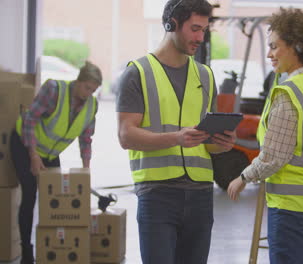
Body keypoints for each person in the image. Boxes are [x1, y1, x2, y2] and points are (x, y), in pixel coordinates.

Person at [115, 0, 235, 263]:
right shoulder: (138, 73)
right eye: (194, 29)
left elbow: (208, 144)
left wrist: (222, 143)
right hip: (157, 194)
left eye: (204, 30)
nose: (200, 38)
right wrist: (176, 138)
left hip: (201, 194)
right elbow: (126, 135)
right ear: (172, 24)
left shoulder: (205, 76)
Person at [227, 8, 303, 264]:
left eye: (274, 46)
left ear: (298, 46)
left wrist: (243, 177)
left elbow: (273, 157)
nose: (269, 54)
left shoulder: (289, 93)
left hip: (293, 204)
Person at [10, 61, 102, 264]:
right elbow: (29, 120)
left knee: (57, 198)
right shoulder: (54, 91)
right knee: (30, 192)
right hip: (25, 144)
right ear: (78, 81)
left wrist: (86, 170)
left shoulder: (91, 106)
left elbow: (86, 139)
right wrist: (33, 156)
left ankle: (53, 244)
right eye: (87, 87)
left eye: (93, 90)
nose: (89, 93)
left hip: (50, 153)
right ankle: (27, 251)